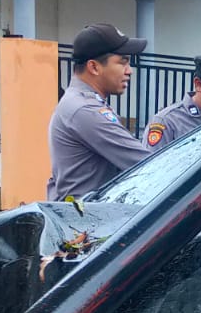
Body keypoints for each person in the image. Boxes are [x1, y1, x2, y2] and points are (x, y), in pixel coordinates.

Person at [47, 23, 149, 202]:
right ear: (94, 67)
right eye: (122, 62)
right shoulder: (84, 110)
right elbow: (147, 163)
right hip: (88, 222)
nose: (129, 71)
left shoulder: (83, 103)